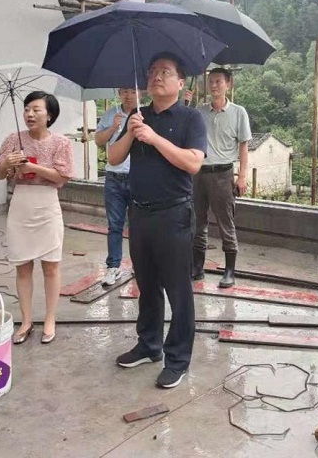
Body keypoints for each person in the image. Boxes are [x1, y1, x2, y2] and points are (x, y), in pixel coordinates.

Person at [108, 52, 207, 389]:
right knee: (146, 285)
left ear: (180, 82)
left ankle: (177, 359)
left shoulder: (191, 118)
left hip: (174, 214)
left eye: (165, 71)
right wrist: (131, 133)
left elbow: (193, 163)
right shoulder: (137, 115)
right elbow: (113, 157)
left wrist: (154, 138)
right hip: (139, 213)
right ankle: (149, 345)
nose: (156, 77)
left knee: (178, 290)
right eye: (152, 72)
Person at [0, 91, 73, 345]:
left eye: (36, 109)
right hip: (21, 205)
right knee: (23, 266)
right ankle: (26, 321)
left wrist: (32, 167)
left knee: (51, 265)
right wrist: (8, 163)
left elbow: (62, 177)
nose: (30, 114)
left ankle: (50, 319)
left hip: (47, 205)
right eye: (27, 109)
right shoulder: (13, 140)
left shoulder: (61, 143)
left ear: (50, 115)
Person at [188, 68, 251, 287]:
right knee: (197, 223)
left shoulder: (239, 112)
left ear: (228, 84)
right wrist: (185, 104)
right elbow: (184, 129)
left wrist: (242, 177)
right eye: (211, 82)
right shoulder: (199, 111)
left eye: (218, 81)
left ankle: (229, 271)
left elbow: (244, 147)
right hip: (199, 174)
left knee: (226, 223)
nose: (214, 86)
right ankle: (197, 267)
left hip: (223, 175)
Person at [95, 88, 142, 286]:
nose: (128, 95)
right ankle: (113, 266)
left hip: (138, 177)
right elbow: (98, 141)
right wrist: (113, 127)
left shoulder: (145, 115)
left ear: (140, 93)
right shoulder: (111, 114)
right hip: (114, 177)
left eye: (132, 91)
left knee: (138, 225)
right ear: (119, 93)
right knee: (115, 225)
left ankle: (139, 264)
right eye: (124, 91)